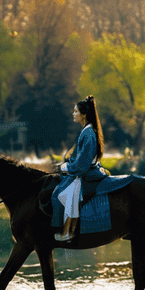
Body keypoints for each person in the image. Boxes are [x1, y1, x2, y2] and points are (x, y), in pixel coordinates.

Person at [51, 95, 107, 241]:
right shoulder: (87, 130)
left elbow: (83, 164)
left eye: (76, 111)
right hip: (84, 170)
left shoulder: (88, 133)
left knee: (64, 194)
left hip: (87, 173)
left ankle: (69, 232)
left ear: (84, 114)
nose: (73, 114)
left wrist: (66, 166)